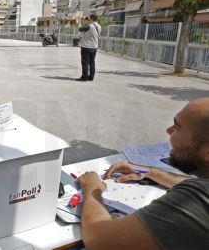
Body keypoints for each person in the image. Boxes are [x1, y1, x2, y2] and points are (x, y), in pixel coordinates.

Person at [78, 98, 209, 250]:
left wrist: (92, 190)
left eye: (177, 127)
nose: (168, 130)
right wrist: (150, 172)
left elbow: (98, 240)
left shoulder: (198, 199)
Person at [76, 13, 101, 82]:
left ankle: (84, 77)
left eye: (89, 19)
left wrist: (79, 22)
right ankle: (91, 77)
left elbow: (79, 29)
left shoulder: (89, 26)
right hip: (94, 47)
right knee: (92, 62)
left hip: (86, 47)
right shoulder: (99, 26)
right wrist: (88, 20)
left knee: (85, 63)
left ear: (91, 19)